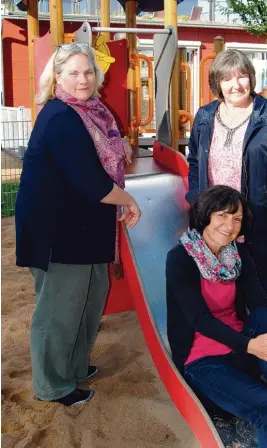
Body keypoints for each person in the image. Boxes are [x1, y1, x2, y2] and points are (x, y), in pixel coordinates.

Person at [15, 43, 141, 406]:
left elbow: (111, 144)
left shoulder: (95, 112)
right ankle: (53, 385)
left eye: (88, 72)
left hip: (85, 224)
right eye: (73, 72)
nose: (82, 79)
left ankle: (74, 365)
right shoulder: (60, 117)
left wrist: (123, 146)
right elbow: (92, 182)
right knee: (60, 308)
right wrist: (129, 200)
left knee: (90, 298)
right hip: (57, 229)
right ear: (57, 76)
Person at [166, 186, 267, 448]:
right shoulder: (180, 258)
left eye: (236, 218)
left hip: (241, 348)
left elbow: (260, 300)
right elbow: (199, 319)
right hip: (203, 358)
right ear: (206, 216)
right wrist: (252, 346)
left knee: (266, 318)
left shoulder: (237, 256)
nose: (230, 225)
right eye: (222, 216)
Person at [186, 49, 267, 301]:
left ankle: (262, 333)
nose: (236, 85)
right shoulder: (205, 116)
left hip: (259, 216)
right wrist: (196, 200)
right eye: (227, 79)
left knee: (261, 287)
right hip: (216, 218)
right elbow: (195, 161)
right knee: (221, 286)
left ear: (251, 78)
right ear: (217, 83)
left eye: (242, 77)